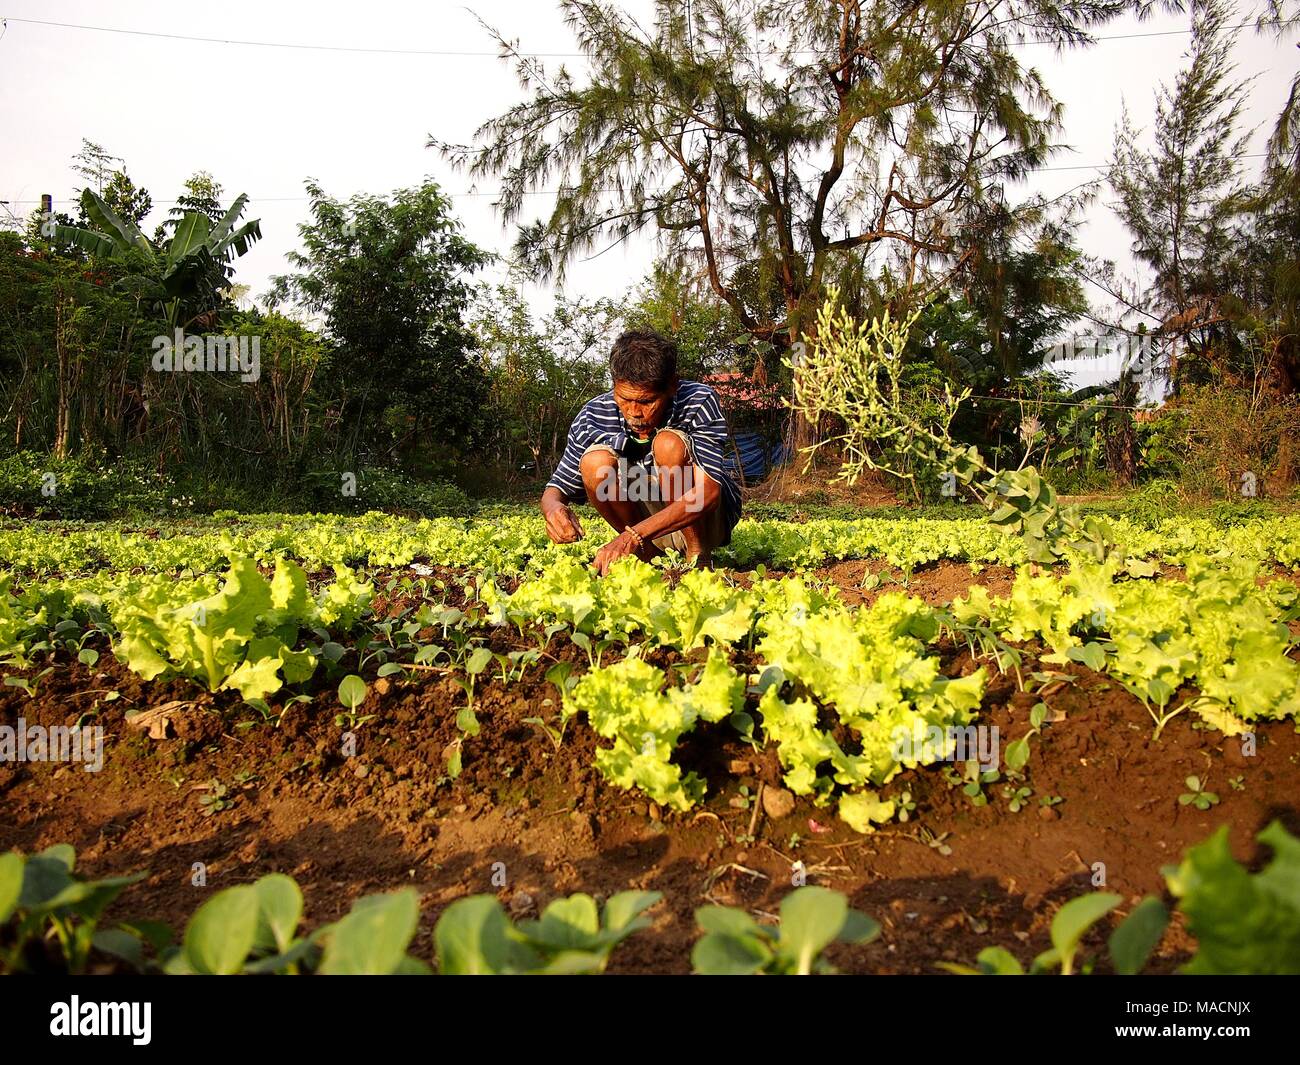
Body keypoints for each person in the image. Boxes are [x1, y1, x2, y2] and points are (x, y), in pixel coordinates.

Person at [540, 330, 743, 575]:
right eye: (624, 399)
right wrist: (552, 509)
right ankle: (649, 557)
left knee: (668, 444)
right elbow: (556, 489)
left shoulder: (698, 400)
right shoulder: (592, 415)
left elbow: (708, 493)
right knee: (595, 462)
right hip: (645, 527)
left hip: (706, 523)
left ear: (672, 386)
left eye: (647, 402)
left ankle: (698, 556)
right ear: (614, 385)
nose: (634, 412)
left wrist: (633, 535)